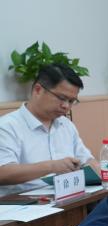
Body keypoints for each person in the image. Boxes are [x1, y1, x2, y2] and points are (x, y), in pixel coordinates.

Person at [0, 63, 99, 195]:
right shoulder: (7, 126)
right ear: (38, 90)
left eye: (71, 101)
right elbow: (3, 172)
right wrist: (51, 167)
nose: (66, 106)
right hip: (24, 202)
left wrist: (98, 170)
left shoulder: (66, 125)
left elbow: (87, 160)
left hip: (69, 198)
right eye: (62, 98)